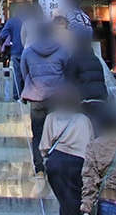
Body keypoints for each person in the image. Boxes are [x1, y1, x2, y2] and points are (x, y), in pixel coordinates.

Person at [21, 19, 69, 176]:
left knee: (38, 133)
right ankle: (54, 163)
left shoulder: (28, 51)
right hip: (57, 96)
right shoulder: (61, 50)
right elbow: (66, 70)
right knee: (57, 131)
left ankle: (39, 167)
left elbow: (24, 72)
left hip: (36, 96)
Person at [39, 85, 93, 215]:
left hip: (56, 162)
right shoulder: (84, 120)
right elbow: (91, 146)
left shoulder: (51, 117)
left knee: (64, 201)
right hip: (78, 162)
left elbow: (44, 146)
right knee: (76, 200)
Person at [66, 31, 109, 133]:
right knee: (98, 127)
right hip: (101, 97)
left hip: (85, 98)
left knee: (86, 128)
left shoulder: (75, 59)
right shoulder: (96, 59)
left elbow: (69, 78)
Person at [0, 3, 38, 99]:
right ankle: (29, 95)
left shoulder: (12, 21)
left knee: (16, 75)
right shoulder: (34, 21)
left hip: (15, 52)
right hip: (31, 52)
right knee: (30, 74)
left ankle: (16, 96)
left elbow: (2, 35)